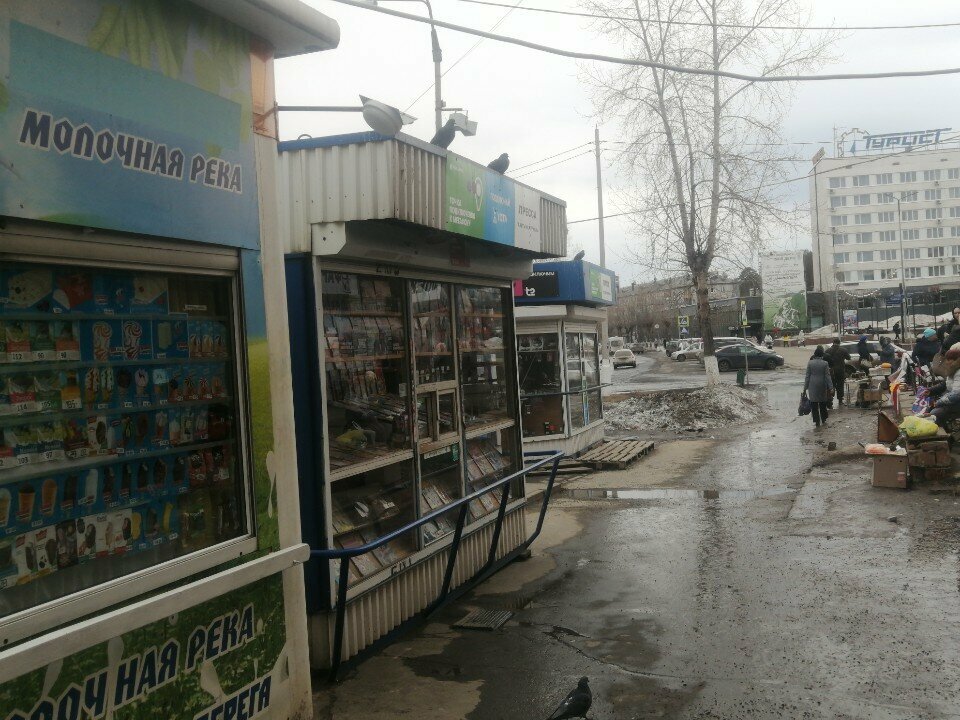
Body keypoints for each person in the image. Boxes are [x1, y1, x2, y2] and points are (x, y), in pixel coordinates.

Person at [803, 346, 834, 428]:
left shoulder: (810, 363)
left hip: (812, 384)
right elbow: (827, 376)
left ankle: (816, 421)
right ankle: (823, 419)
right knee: (822, 402)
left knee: (814, 403)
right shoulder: (825, 363)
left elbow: (807, 376)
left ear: (814, 354)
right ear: (821, 355)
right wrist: (831, 387)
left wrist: (805, 388)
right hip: (822, 384)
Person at [824, 338, 852, 406]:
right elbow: (848, 358)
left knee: (831, 385)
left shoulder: (828, 350)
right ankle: (840, 400)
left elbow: (824, 360)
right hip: (840, 370)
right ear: (839, 343)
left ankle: (830, 401)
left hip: (831, 371)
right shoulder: (843, 350)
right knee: (840, 384)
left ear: (833, 343)